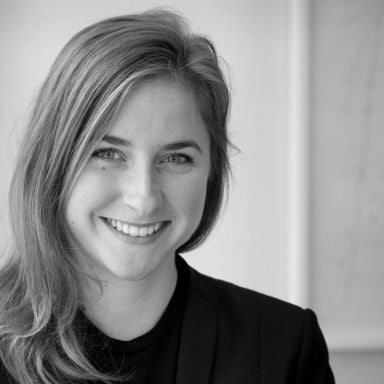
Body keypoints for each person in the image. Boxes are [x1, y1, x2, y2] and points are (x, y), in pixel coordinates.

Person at [0, 9, 335, 384]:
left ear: (212, 171)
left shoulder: (283, 343)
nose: (143, 198)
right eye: (108, 153)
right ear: (53, 161)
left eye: (176, 158)